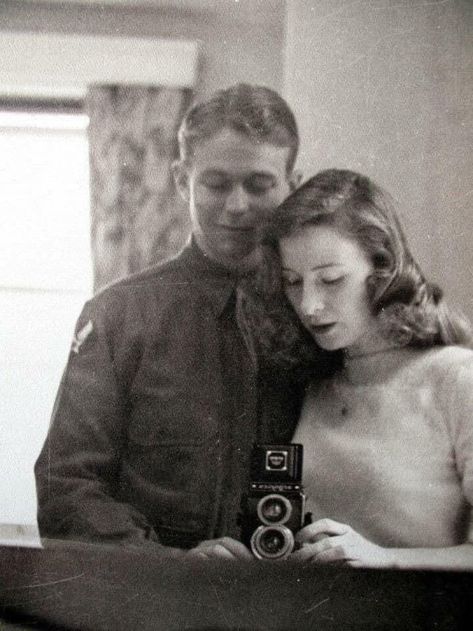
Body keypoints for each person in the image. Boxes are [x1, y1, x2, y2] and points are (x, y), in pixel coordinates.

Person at [34, 83, 308, 560]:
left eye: (259, 185)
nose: (237, 205)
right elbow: (67, 487)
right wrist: (171, 566)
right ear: (182, 181)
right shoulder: (118, 316)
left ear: (292, 185)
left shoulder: (320, 317)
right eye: (216, 183)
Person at [244, 168, 473, 570]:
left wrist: (386, 560)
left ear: (381, 269)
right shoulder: (310, 386)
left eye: (330, 280)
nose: (309, 305)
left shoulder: (457, 379)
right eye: (293, 282)